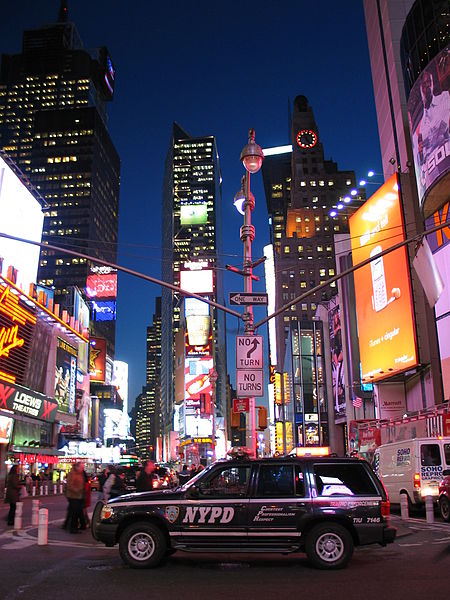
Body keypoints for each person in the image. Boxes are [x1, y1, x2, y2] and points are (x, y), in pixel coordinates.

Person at [65, 463, 86, 533]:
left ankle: (76, 526)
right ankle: (73, 528)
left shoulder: (80, 473)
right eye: (82, 467)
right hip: (74, 496)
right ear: (78, 467)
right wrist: (78, 490)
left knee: (76, 512)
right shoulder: (73, 474)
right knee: (74, 513)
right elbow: (70, 485)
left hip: (79, 496)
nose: (82, 469)